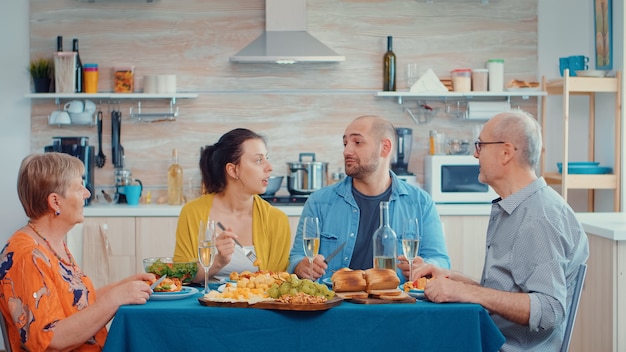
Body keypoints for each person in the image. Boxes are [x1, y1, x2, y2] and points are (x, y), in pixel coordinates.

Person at [414, 110, 589, 351]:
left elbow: (549, 310)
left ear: (506, 152)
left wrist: (466, 292)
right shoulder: (517, 208)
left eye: (481, 145)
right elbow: (507, 294)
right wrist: (452, 279)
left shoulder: (539, 218)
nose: (475, 153)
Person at [0, 152, 154, 351]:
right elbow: (51, 340)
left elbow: (77, 302)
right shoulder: (26, 257)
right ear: (55, 202)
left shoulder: (51, 243)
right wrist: (115, 299)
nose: (87, 193)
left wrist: (125, 286)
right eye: (79, 186)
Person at [288, 115, 450, 282]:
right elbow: (296, 257)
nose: (346, 151)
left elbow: (441, 261)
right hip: (336, 304)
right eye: (345, 144)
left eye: (357, 142)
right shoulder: (319, 202)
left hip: (397, 303)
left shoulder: (421, 203)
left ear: (385, 148)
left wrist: (425, 266)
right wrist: (301, 266)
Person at [173, 128, 291, 283]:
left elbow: (278, 283)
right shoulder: (193, 213)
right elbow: (181, 277)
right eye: (258, 160)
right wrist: (217, 262)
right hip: (205, 305)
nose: (269, 167)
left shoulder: (276, 220)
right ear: (233, 170)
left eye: (266, 158)